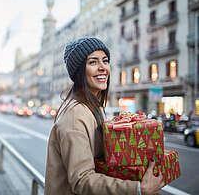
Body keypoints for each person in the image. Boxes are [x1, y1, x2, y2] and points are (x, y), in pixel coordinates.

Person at [45, 37, 164, 195]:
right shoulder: (75, 116)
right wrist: (139, 189)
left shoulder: (94, 107)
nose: (103, 68)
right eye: (93, 62)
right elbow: (82, 180)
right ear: (79, 71)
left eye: (105, 61)